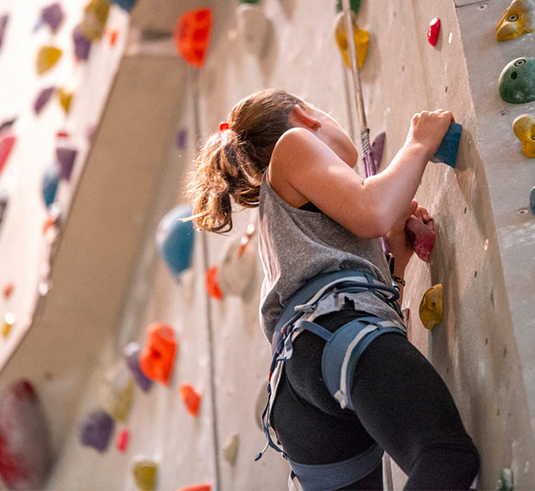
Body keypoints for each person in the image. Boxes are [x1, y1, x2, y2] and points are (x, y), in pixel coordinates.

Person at [187, 88, 478, 490]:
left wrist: (394, 265)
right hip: (333, 337)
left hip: (301, 394)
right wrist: (419, 142)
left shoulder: (287, 230)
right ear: (305, 115)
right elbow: (372, 211)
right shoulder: (294, 145)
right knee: (444, 455)